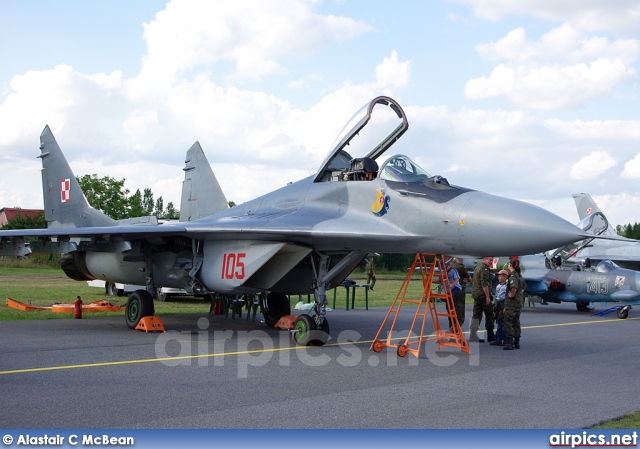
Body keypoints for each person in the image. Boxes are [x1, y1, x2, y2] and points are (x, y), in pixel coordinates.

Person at [470, 256, 495, 343]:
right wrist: (488, 296)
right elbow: (484, 284)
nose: (491, 262)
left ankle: (473, 335)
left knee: (476, 315)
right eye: (490, 260)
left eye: (492, 260)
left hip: (477, 295)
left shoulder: (477, 267)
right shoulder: (484, 269)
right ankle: (491, 336)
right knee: (489, 315)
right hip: (483, 296)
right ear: (484, 259)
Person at [503, 258, 527, 350]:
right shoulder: (519, 276)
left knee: (508, 321)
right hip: (519, 302)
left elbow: (513, 287)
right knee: (516, 322)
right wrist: (519, 293)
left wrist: (512, 294)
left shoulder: (513, 276)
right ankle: (517, 342)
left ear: (510, 265)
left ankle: (510, 342)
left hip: (512, 303)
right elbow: (524, 286)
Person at [490, 270, 509, 346]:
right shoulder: (498, 286)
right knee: (498, 323)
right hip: (498, 305)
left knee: (503, 324)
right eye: (498, 276)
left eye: (501, 276)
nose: (499, 278)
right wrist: (494, 308)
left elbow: (508, 297)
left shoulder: (507, 286)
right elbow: (496, 297)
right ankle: (498, 339)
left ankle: (505, 339)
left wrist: (506, 307)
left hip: (503, 304)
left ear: (505, 277)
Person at [450, 257, 471, 327]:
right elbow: (469, 278)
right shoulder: (461, 267)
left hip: (450, 289)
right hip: (460, 289)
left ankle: (451, 326)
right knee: (460, 308)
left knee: (451, 307)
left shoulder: (449, 265)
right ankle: (457, 326)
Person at [445, 259, 463, 331]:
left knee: (451, 299)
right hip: (448, 290)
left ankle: (455, 324)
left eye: (446, 267)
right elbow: (440, 280)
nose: (445, 268)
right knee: (448, 306)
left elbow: (457, 279)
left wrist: (451, 285)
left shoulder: (453, 270)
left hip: (455, 288)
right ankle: (452, 322)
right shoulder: (443, 271)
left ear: (450, 265)